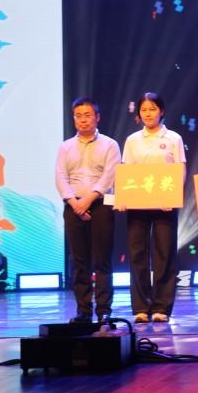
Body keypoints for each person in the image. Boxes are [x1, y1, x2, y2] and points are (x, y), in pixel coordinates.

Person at [118, 92, 185, 323]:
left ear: (161, 111)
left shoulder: (174, 138)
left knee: (164, 254)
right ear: (139, 113)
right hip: (138, 205)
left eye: (152, 109)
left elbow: (180, 170)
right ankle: (140, 306)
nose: (148, 114)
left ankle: (161, 307)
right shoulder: (132, 140)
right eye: (144, 110)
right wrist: (124, 197)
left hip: (165, 204)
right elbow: (126, 172)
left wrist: (172, 197)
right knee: (137, 254)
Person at [55, 97, 120, 324]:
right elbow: (61, 177)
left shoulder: (110, 145)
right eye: (78, 116)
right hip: (73, 207)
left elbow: (109, 176)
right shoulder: (65, 147)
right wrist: (75, 203)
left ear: (97, 117)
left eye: (88, 115)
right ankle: (83, 310)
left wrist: (88, 200)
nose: (83, 120)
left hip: (101, 206)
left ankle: (103, 310)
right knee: (79, 261)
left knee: (102, 260)